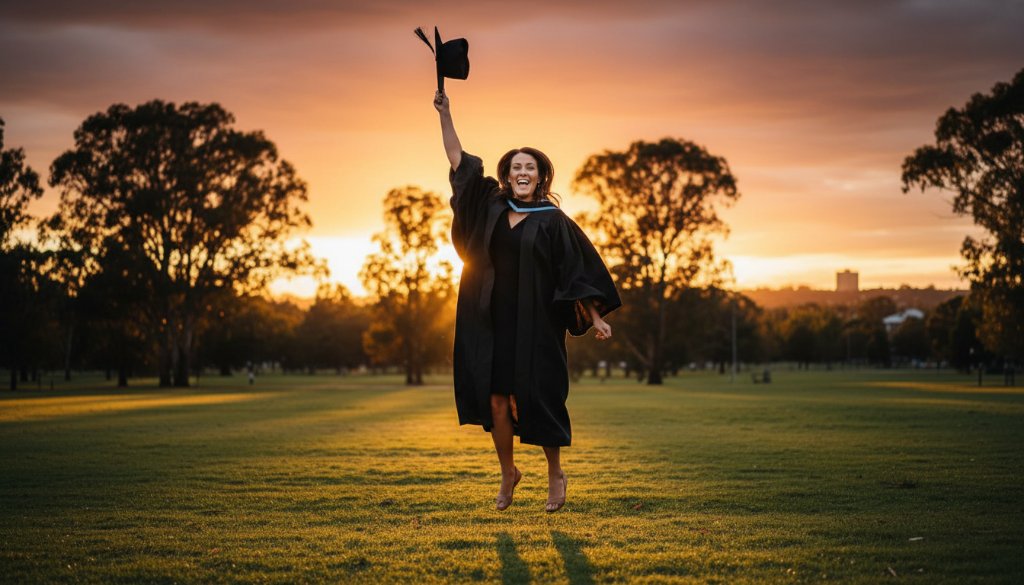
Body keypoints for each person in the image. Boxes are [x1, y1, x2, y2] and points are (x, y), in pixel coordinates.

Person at [434, 90, 621, 512]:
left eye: (529, 167)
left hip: (537, 324)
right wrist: (446, 115)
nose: (522, 172)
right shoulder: (490, 206)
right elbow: (458, 162)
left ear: (540, 177)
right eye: (516, 166)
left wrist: (595, 316)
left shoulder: (554, 222)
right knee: (497, 399)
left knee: (539, 397)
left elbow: (578, 270)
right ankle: (508, 473)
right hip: (492, 320)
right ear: (507, 174)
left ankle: (555, 473)